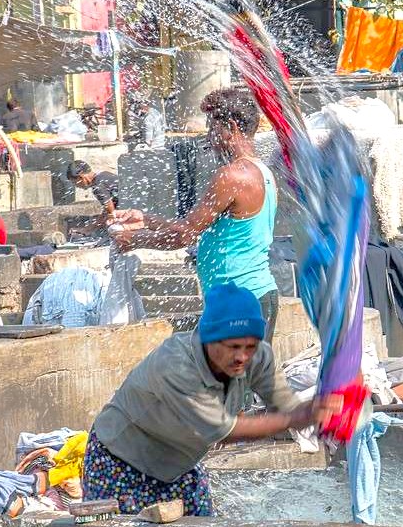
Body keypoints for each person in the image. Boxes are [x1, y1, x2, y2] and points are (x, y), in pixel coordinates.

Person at [82, 282, 339, 516]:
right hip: (120, 461)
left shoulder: (258, 356)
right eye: (232, 346)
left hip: (178, 467)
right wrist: (297, 417)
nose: (241, 357)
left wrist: (326, 412)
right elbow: (224, 431)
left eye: (250, 346)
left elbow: (287, 407)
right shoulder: (176, 363)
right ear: (209, 338)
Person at [110, 88, 280, 341]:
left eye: (212, 128)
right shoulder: (261, 171)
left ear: (230, 128)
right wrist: (146, 219)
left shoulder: (231, 176)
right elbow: (194, 226)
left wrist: (134, 241)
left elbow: (185, 236)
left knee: (213, 379)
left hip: (238, 304)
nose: (209, 138)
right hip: (251, 297)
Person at [66, 161, 118, 232]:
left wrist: (88, 230)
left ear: (81, 176)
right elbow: (107, 210)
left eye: (74, 182)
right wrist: (89, 228)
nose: (76, 186)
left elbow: (111, 214)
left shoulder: (97, 187)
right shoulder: (104, 175)